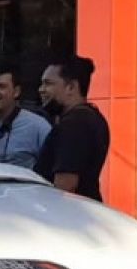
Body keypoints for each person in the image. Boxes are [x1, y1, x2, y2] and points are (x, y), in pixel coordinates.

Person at [35, 55, 110, 201]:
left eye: (48, 83)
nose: (41, 90)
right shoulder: (90, 117)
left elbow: (65, 186)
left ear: (71, 87)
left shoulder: (74, 124)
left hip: (68, 216)